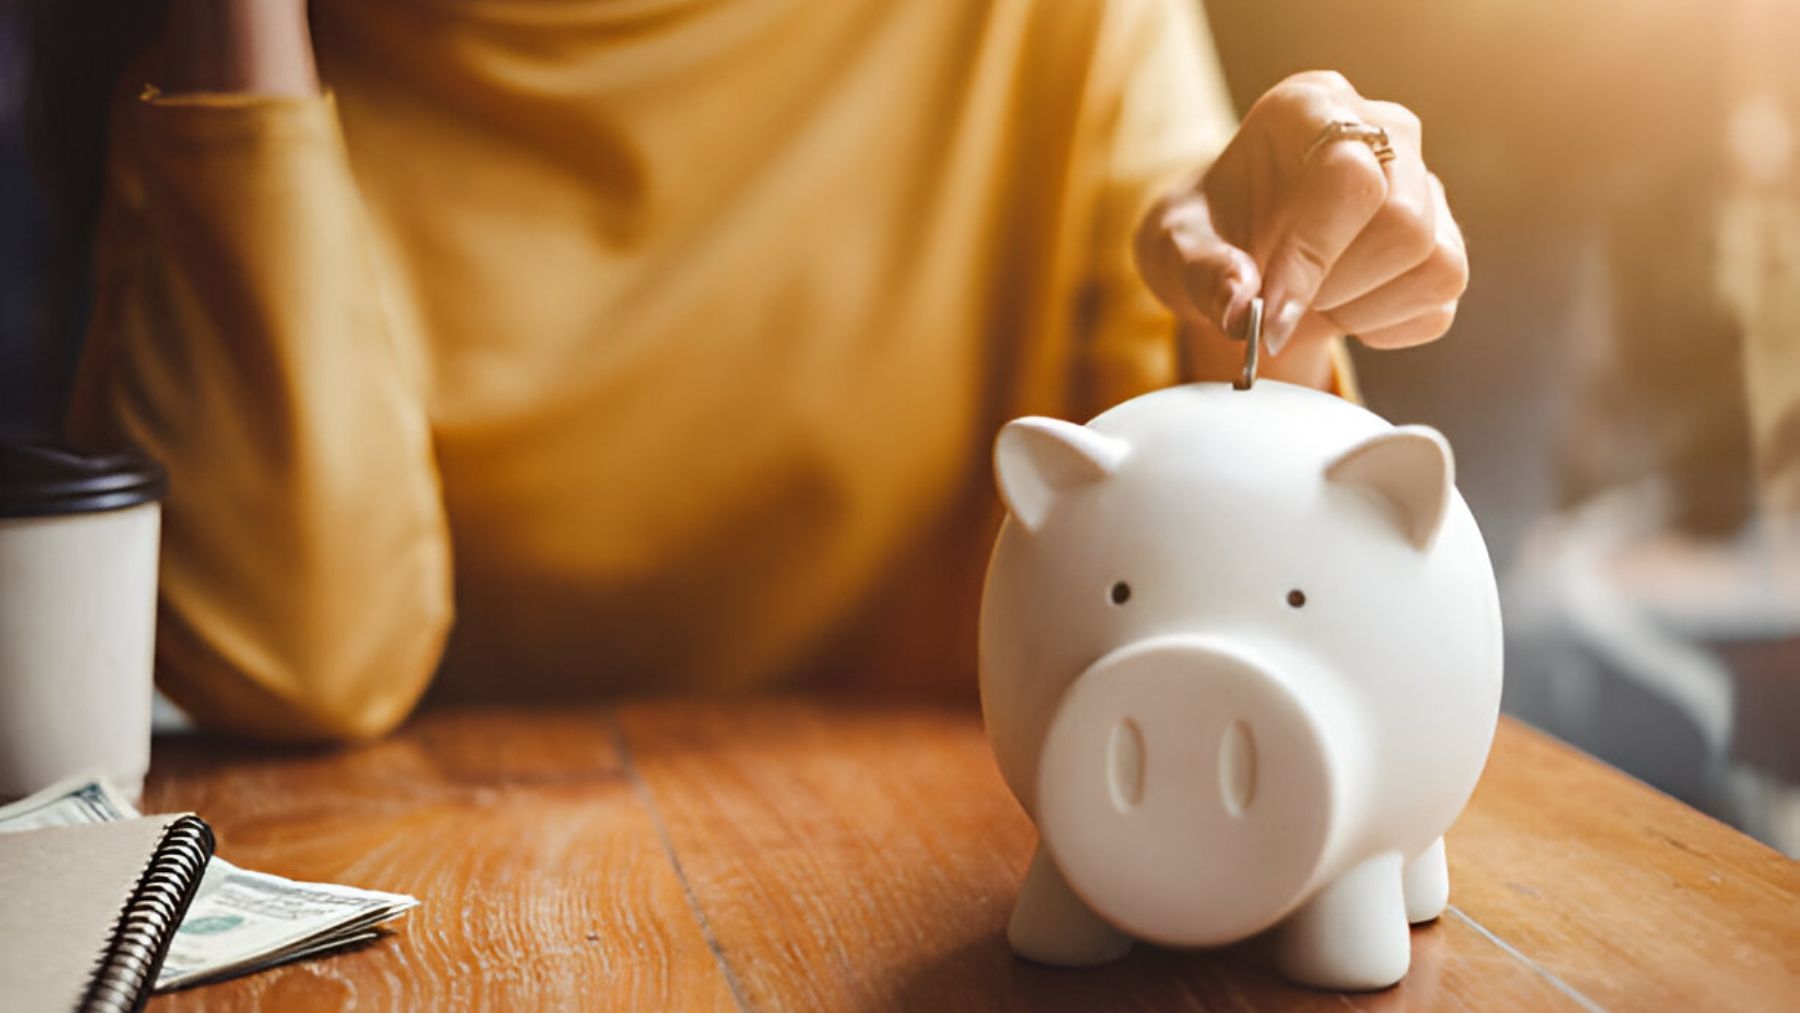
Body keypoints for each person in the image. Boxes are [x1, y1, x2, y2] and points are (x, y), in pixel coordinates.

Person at [42, 0, 1467, 741]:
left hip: (937, 878)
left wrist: (1264, 292)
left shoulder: (1037, 28)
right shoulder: (260, 74)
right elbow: (288, 661)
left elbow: (1211, 546)